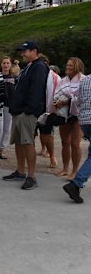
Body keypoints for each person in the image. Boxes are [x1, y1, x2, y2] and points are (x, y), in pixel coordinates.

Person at [3, 41, 49, 190]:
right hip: (19, 111)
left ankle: (31, 176)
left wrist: (29, 110)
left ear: (34, 51)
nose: (22, 54)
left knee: (27, 142)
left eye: (25, 51)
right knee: (18, 141)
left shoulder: (39, 67)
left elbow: (36, 90)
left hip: (26, 112)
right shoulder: (29, 67)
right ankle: (20, 171)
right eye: (22, 51)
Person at [53, 57, 86, 180]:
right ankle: (65, 168)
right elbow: (56, 94)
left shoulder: (84, 80)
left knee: (75, 143)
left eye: (70, 66)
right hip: (64, 114)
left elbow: (84, 98)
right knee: (64, 142)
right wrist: (56, 102)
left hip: (78, 115)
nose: (67, 67)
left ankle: (74, 171)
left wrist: (67, 101)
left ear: (77, 67)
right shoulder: (62, 81)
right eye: (67, 65)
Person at [63, 67, 91, 203]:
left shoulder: (85, 80)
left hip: (84, 121)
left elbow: (77, 100)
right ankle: (76, 183)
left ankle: (77, 183)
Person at [37, 64, 60, 167]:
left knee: (47, 134)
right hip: (33, 109)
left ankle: (52, 156)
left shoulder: (54, 78)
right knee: (30, 135)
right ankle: (30, 157)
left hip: (47, 109)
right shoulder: (33, 75)